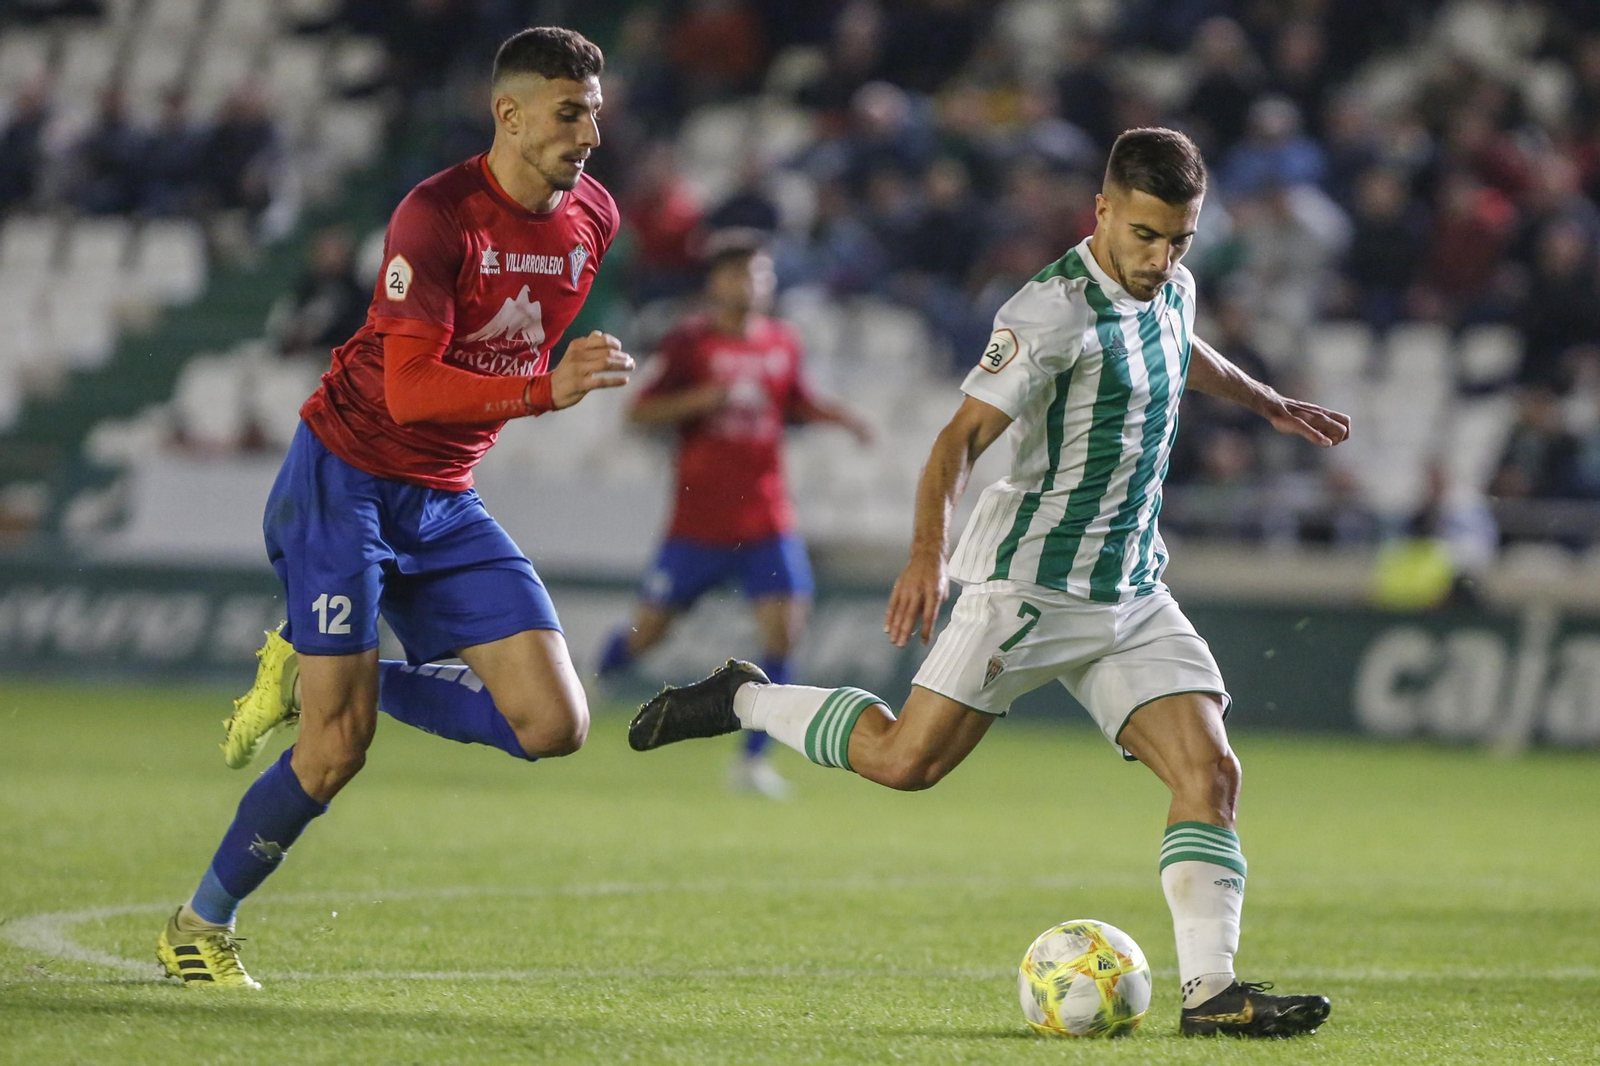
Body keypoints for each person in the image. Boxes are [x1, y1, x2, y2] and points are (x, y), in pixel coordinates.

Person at [629, 128, 1347, 1038]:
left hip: (1130, 590)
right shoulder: (1048, 310)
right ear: (1102, 212)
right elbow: (956, 443)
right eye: (1145, 237)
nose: (1162, 260)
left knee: (1211, 774)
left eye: (1180, 241)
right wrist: (927, 553)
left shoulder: (1173, 285)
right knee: (904, 762)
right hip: (1030, 588)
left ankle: (1212, 995)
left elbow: (1179, 344)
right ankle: (742, 701)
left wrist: (1269, 403)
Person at [157, 27, 631, 989]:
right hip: (344, 482)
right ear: (509, 113)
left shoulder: (594, 218)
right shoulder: (436, 214)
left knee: (554, 725)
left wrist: (539, 384)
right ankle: (197, 927)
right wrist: (546, 389)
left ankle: (315, 679)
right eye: (570, 110)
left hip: (444, 496)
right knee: (337, 754)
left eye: (596, 110)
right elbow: (413, 391)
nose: (590, 130)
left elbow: (483, 376)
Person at [597, 231, 873, 799]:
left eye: (761, 275)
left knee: (786, 628)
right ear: (715, 282)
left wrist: (840, 418)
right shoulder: (689, 344)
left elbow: (794, 400)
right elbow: (640, 412)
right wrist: (701, 401)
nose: (752, 284)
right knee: (648, 633)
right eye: (741, 274)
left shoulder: (782, 341)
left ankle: (753, 759)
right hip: (698, 523)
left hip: (767, 517)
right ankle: (593, 679)